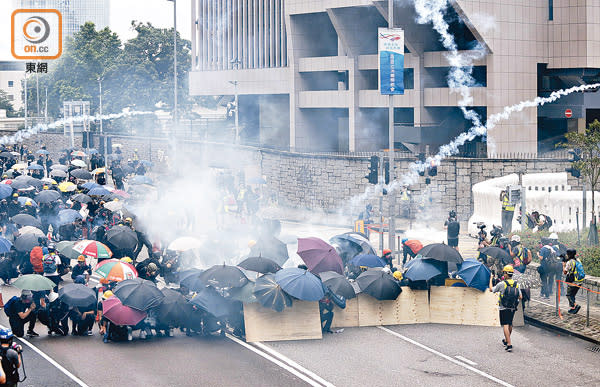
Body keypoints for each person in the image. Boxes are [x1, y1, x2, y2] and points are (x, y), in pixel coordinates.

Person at [490, 265, 522, 352]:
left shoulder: (502, 284)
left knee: (505, 325)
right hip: (512, 307)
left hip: (503, 307)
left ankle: (509, 344)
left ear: (505, 274)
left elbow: (491, 289)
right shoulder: (517, 284)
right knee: (510, 324)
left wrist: (491, 278)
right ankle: (506, 340)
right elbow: (520, 296)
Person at [563, 248, 584, 314]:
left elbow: (565, 272)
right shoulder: (578, 260)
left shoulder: (569, 262)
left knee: (569, 295)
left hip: (573, 281)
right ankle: (573, 308)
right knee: (573, 295)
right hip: (579, 280)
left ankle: (575, 306)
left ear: (568, 254)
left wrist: (563, 265)